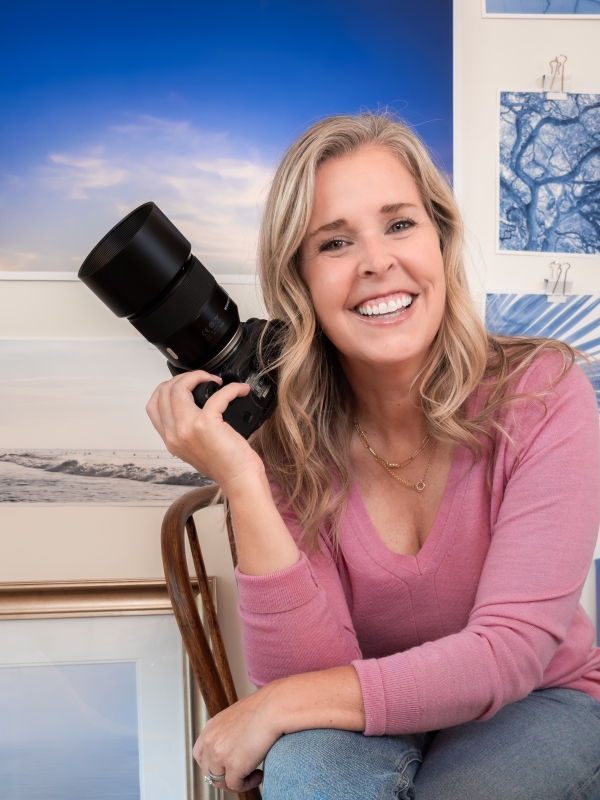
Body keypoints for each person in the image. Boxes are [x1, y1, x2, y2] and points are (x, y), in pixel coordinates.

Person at [146, 113, 600, 799]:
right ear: (299, 281)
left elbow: (508, 656)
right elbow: (309, 670)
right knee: (309, 778)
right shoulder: (288, 434)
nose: (377, 263)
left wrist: (273, 708)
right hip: (364, 708)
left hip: (536, 697)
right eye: (334, 242)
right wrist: (243, 477)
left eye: (399, 225)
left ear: (441, 240)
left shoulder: (542, 393)